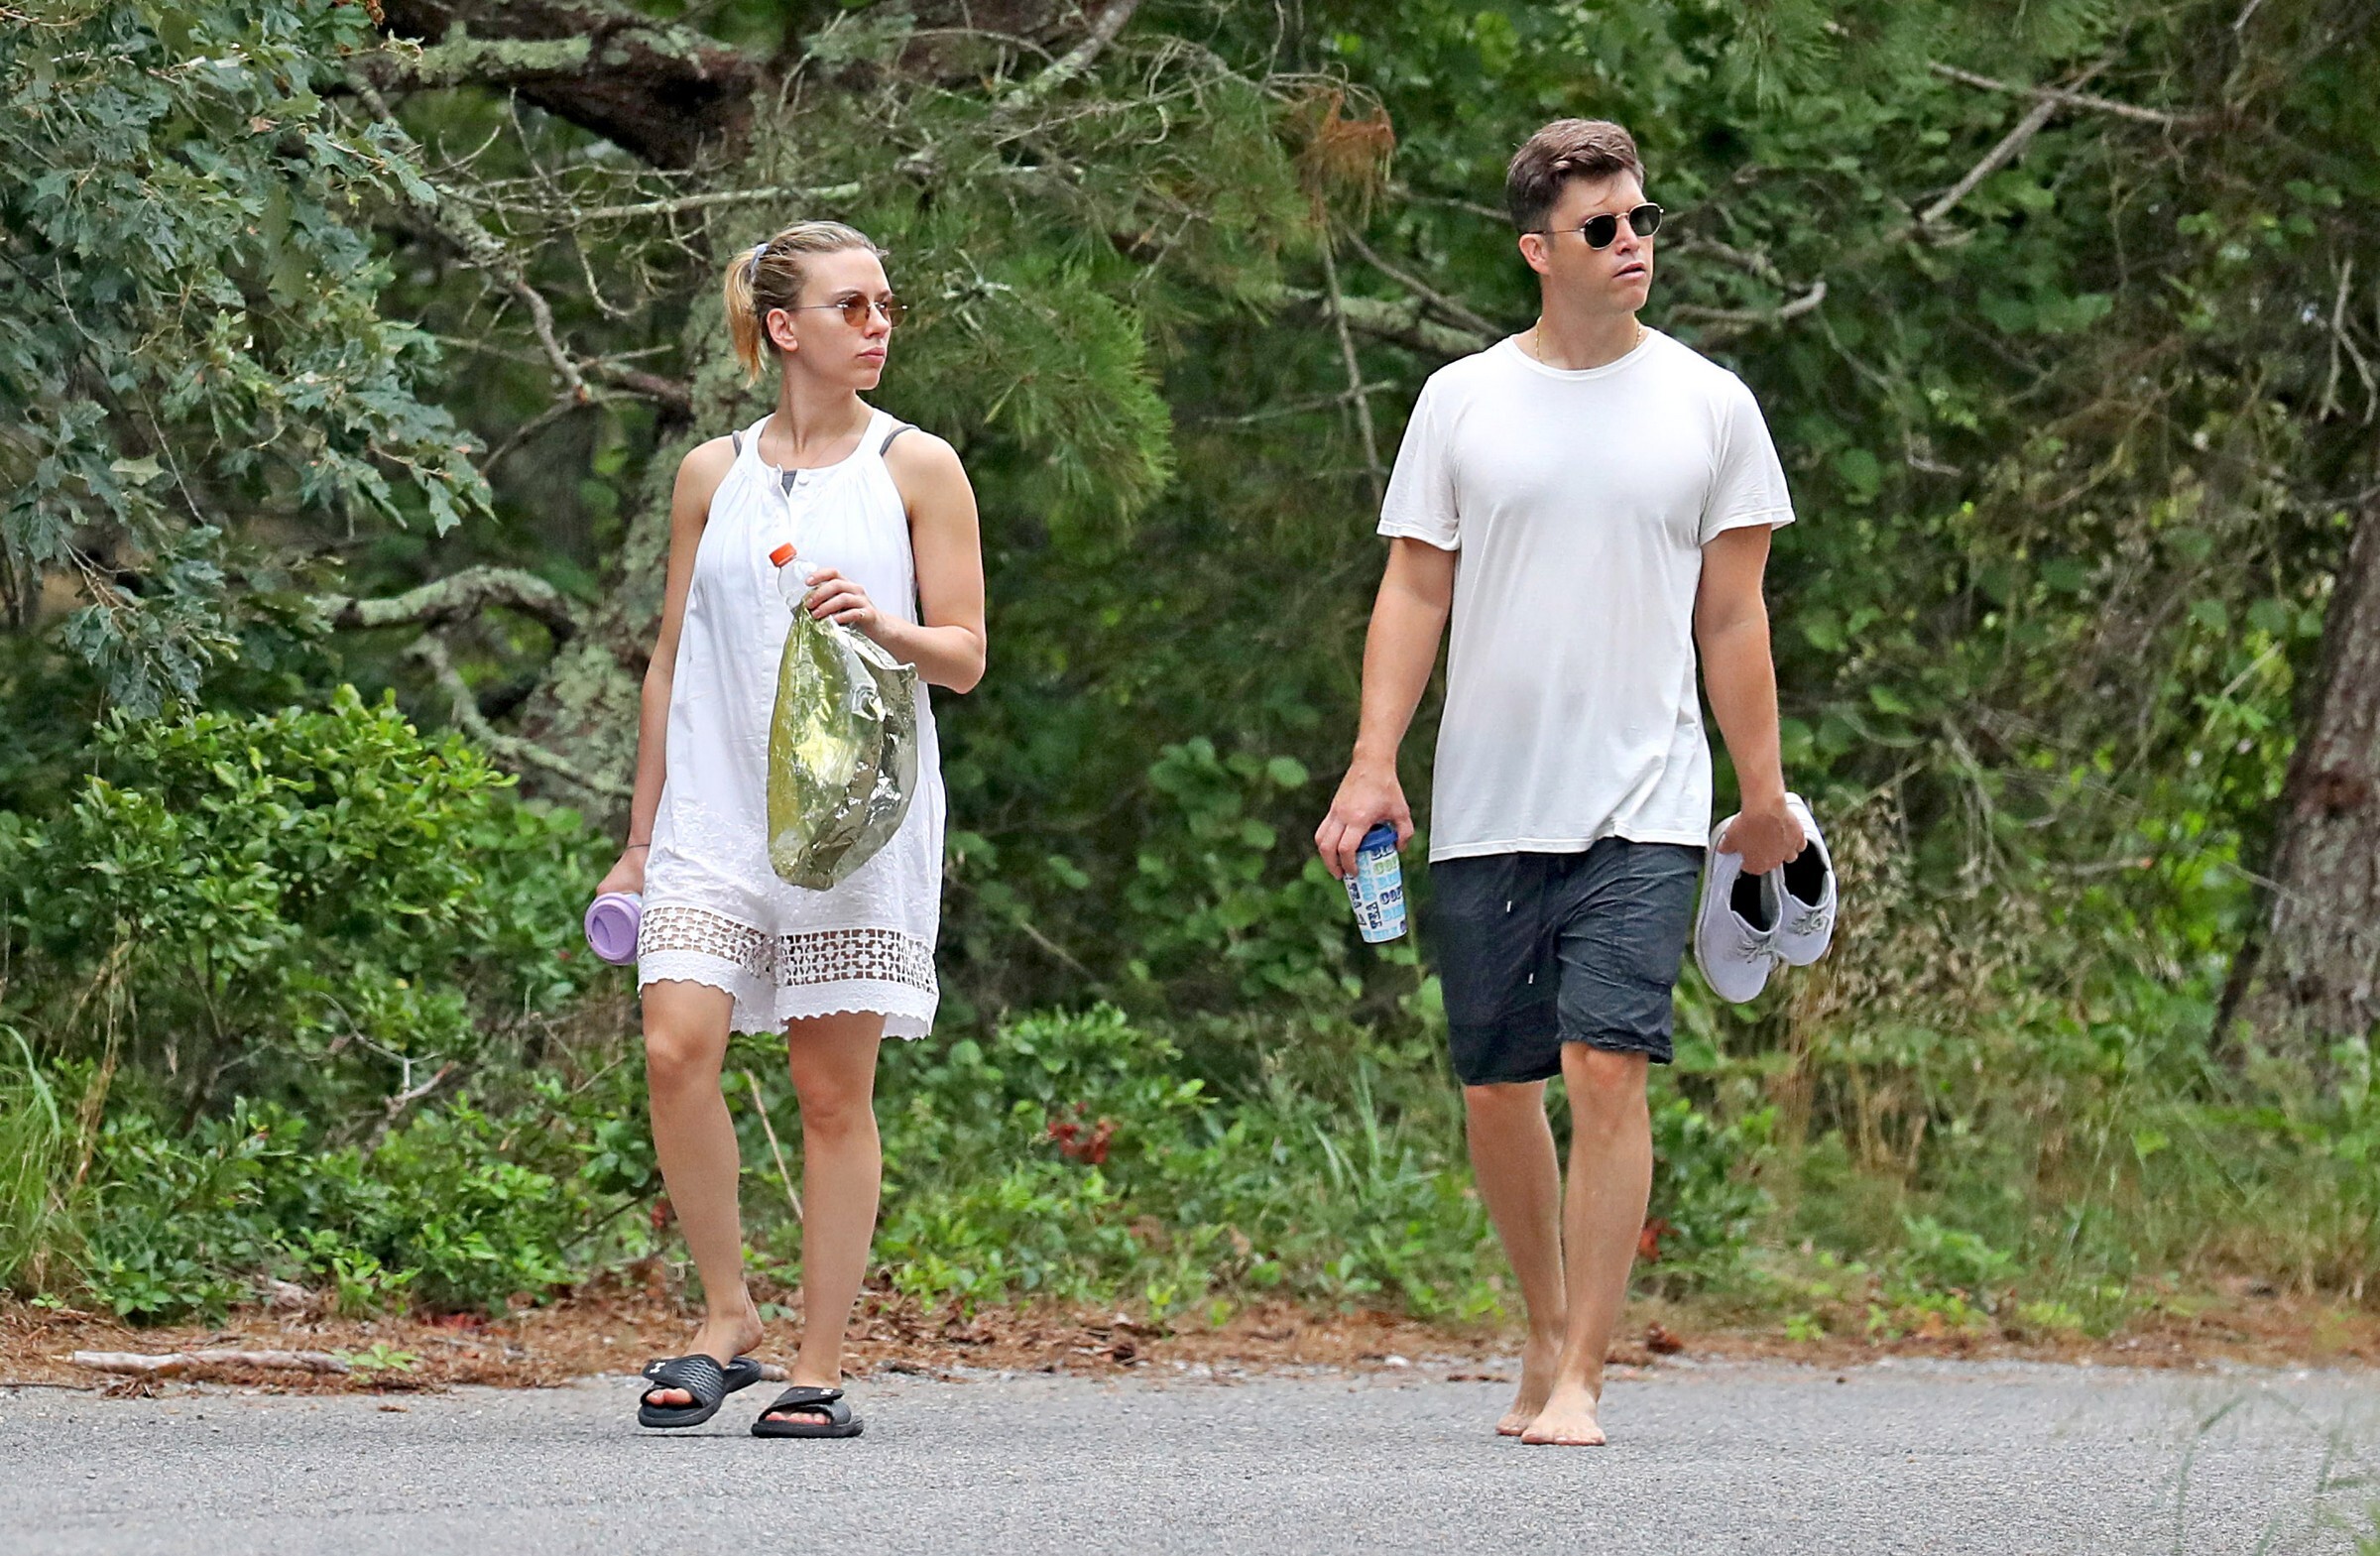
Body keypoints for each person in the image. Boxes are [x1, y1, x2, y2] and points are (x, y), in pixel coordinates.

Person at [1313, 120, 1802, 1448]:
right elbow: (1416, 587)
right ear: (1539, 251)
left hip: (1646, 797)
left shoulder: (1711, 405)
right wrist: (1373, 763)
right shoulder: (1462, 400)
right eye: (1602, 227)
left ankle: (1584, 1369)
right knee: (1497, 1082)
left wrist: (1761, 794)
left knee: (1607, 1063)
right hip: (1488, 799)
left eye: (1643, 219)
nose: (1632, 242)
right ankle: (1540, 1327)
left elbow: (1734, 618)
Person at [592, 220, 987, 1439]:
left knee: (828, 1091)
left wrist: (888, 627)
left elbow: (965, 656)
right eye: (851, 306)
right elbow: (670, 660)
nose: (878, 325)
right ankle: (729, 1316)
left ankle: (820, 1363)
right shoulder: (710, 475)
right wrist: (640, 841)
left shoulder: (917, 466)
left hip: (850, 820)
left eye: (884, 305)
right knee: (675, 1047)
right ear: (782, 328)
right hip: (712, 812)